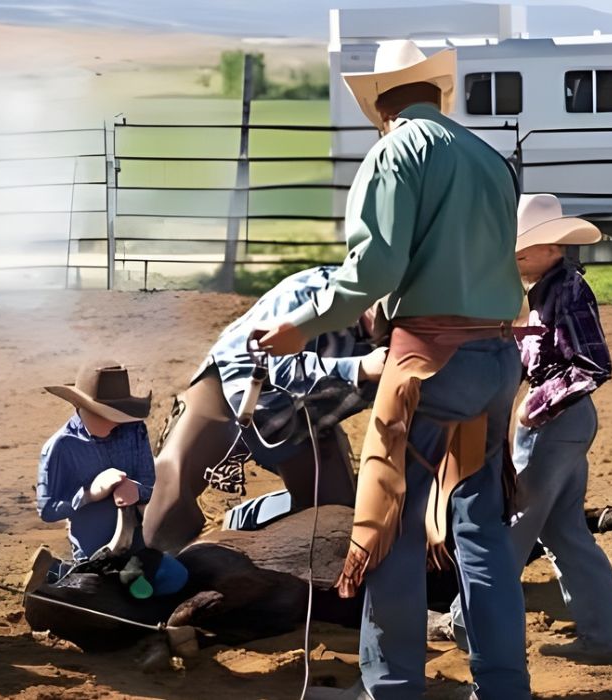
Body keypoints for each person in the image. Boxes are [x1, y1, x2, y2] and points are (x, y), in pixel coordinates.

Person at [254, 40, 529, 698]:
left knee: (391, 532)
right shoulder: (491, 161)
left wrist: (302, 325)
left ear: (381, 104)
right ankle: (503, 685)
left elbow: (374, 269)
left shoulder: (395, 151)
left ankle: (395, 686)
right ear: (436, 94)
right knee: (481, 533)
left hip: (427, 364)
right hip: (495, 358)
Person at [449, 194, 612, 657]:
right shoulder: (550, 289)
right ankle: (603, 638)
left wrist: (538, 403)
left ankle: (464, 624)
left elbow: (593, 364)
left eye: (523, 254)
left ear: (551, 248)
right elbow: (551, 353)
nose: (518, 263)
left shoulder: (567, 290)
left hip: (555, 424)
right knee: (565, 532)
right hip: (563, 424)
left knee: (515, 524)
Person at [142, 265, 388, 553]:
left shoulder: (418, 335)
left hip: (306, 419)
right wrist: (359, 367)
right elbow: (275, 365)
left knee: (336, 515)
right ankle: (132, 567)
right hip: (232, 390)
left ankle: (248, 523)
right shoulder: (306, 292)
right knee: (165, 508)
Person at [28, 361, 188, 598]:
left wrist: (137, 490)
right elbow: (48, 510)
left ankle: (64, 574)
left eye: (120, 415)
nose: (116, 422)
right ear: (81, 407)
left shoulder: (135, 430)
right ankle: (59, 573)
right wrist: (91, 493)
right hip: (93, 551)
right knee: (102, 593)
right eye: (107, 415)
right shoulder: (60, 446)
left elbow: (150, 484)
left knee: (173, 579)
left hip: (134, 544)